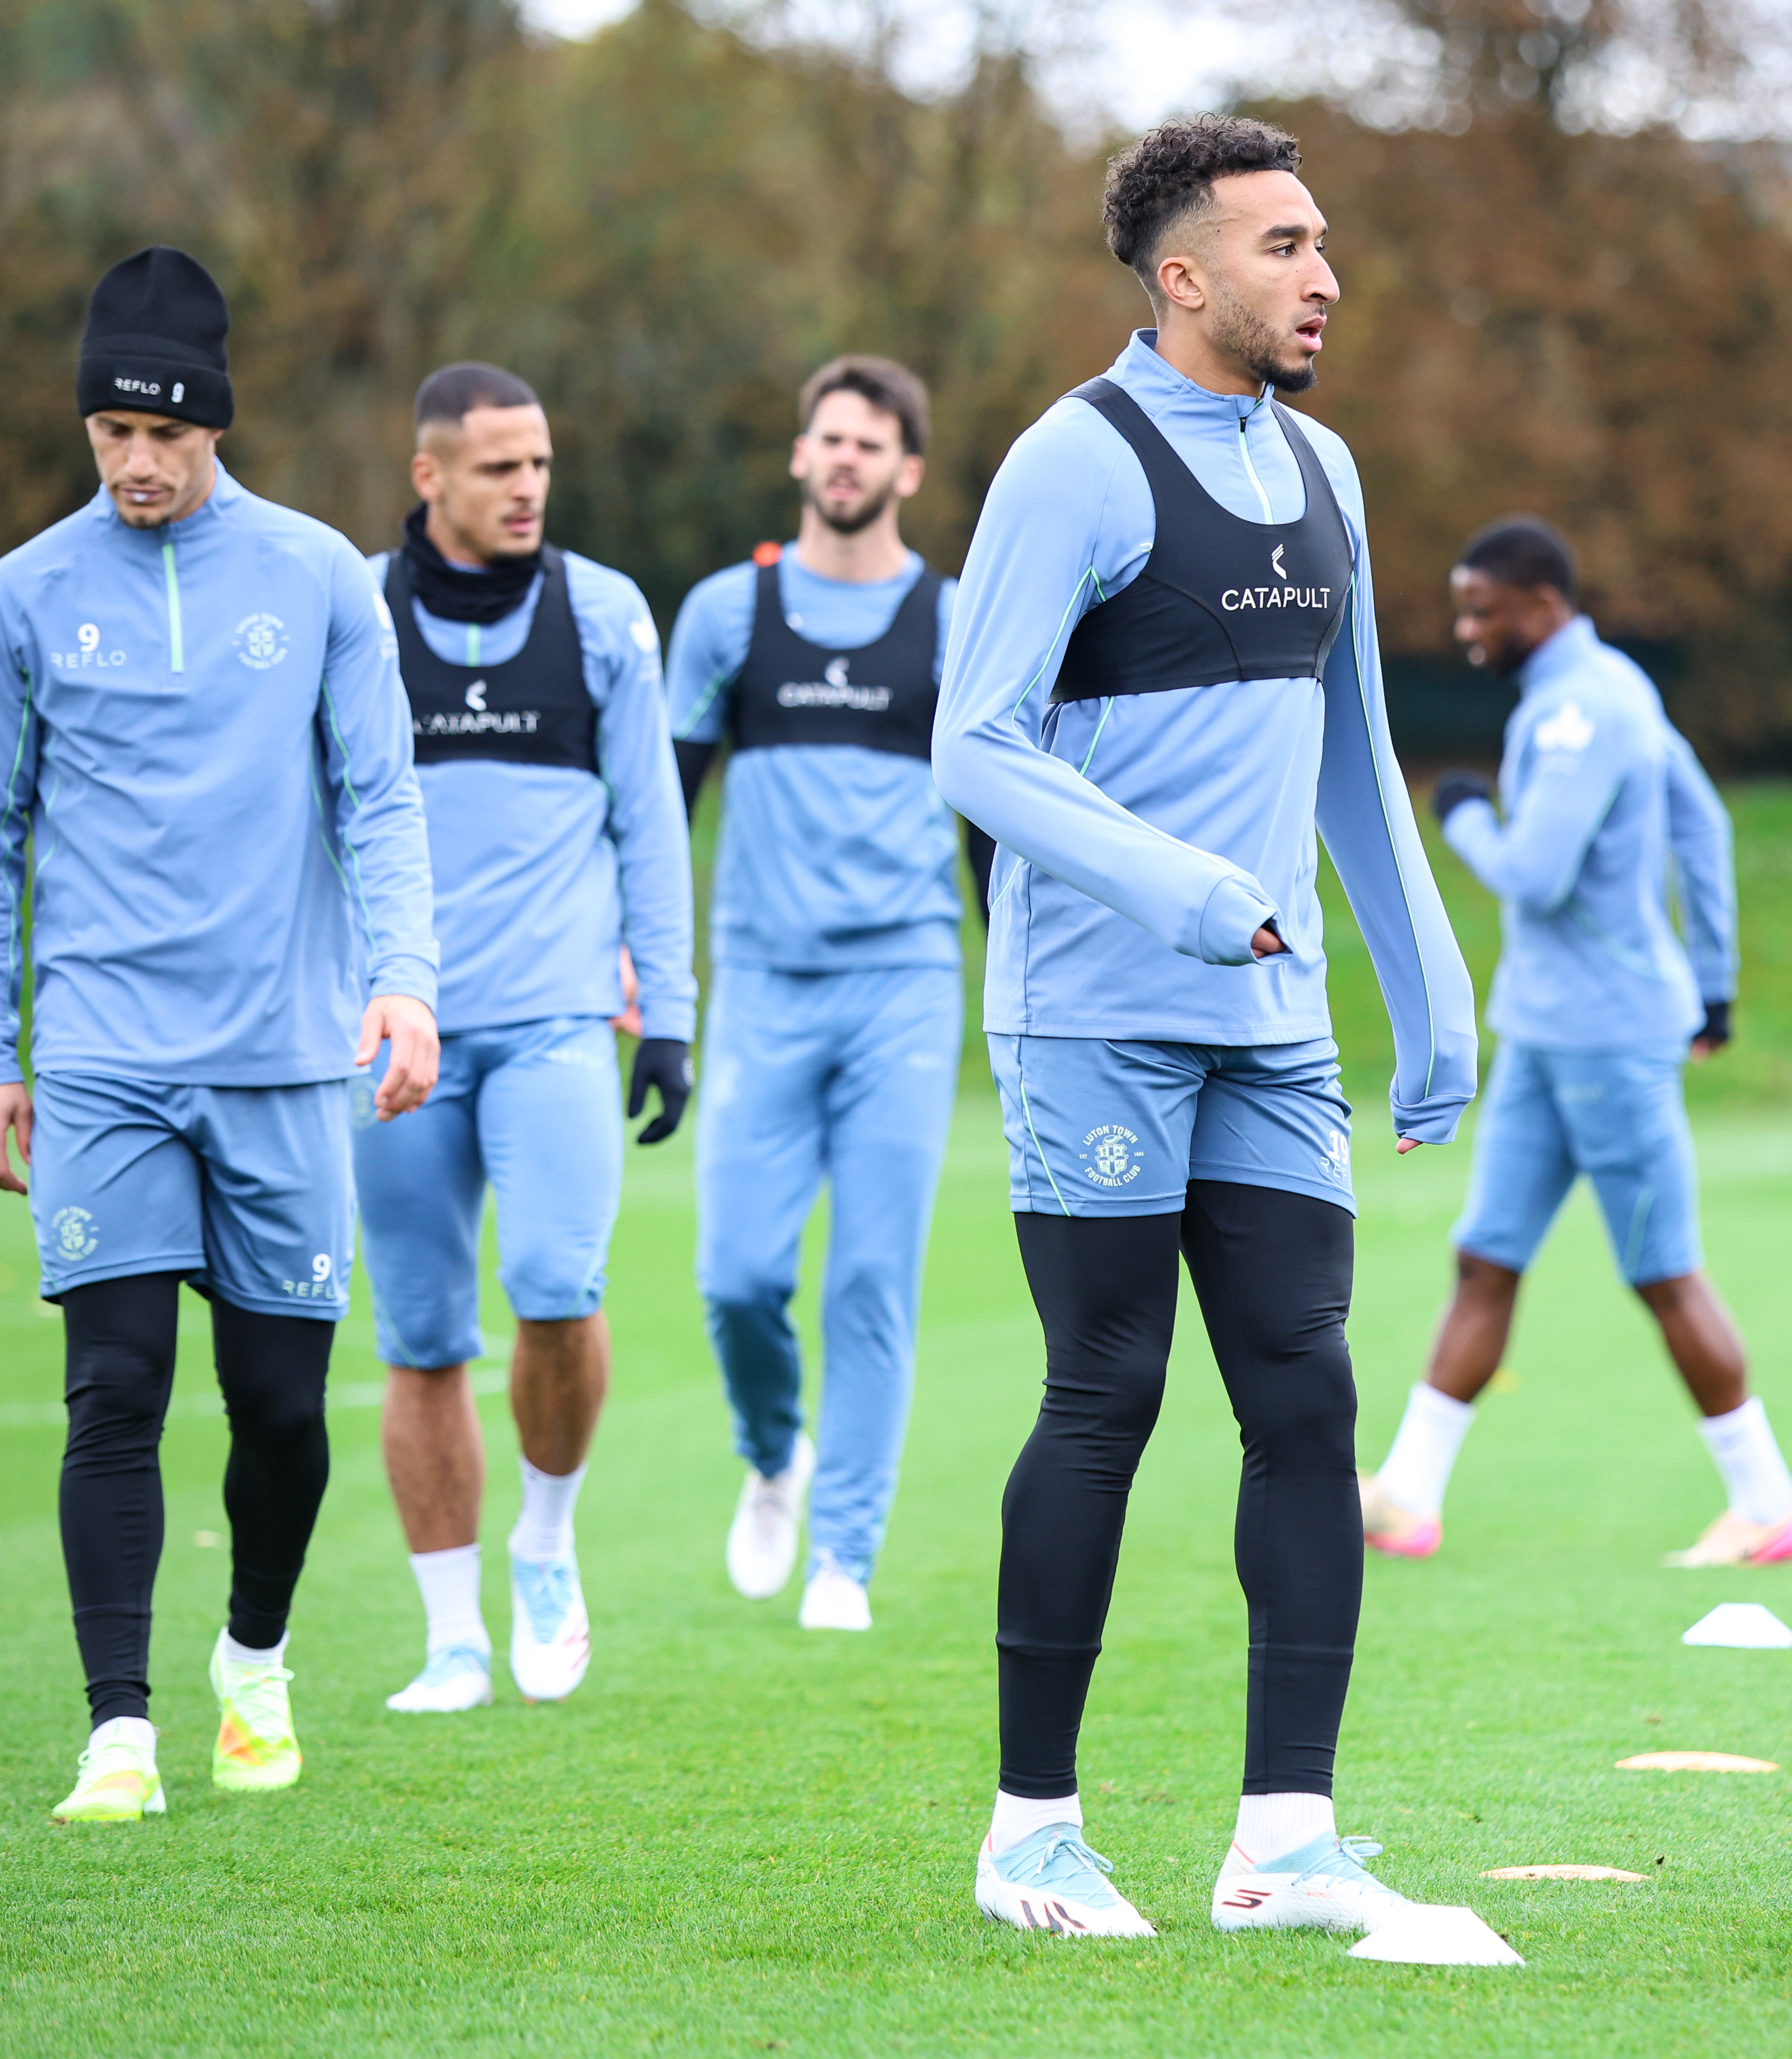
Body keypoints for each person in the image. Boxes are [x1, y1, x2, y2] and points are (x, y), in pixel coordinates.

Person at [933, 114, 1478, 1940]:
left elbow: (1351, 755)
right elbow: (977, 744)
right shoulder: (1066, 467)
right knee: (1106, 1391)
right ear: (1181, 276)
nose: (1322, 275)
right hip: (1094, 1010)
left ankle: (1282, 1844)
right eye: (1281, 245)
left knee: (1307, 1397)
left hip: (1270, 1030)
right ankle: (1027, 1837)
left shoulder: (1323, 471)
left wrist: (1426, 992)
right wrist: (1171, 888)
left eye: (1323, 244)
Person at [0, 247, 440, 1823]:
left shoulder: (314, 579)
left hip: (288, 1056)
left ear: (217, 425)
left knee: (284, 1411)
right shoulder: (19, 599)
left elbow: (379, 794)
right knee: (115, 1388)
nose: (139, 461)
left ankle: (253, 1659)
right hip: (102, 1058)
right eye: (110, 432)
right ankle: (118, 1730)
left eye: (166, 433)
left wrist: (403, 976)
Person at [1362, 517, 1792, 1567]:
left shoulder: (1576, 711)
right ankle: (1410, 1497)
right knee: (1485, 1258)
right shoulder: (1622, 688)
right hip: (1547, 1030)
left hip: (1605, 1039)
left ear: (1544, 606)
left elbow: (1535, 872)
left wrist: (1464, 812)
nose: (1467, 629)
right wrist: (1713, 987)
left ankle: (1771, 1501)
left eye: (1483, 609)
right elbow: (1704, 824)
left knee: (1663, 1272)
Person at [356, 363, 695, 1716]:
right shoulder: (359, 621)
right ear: (429, 474)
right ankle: (451, 1635)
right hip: (396, 1039)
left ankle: (545, 1542)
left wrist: (667, 1013)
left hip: (558, 1020)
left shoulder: (605, 614)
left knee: (557, 1287)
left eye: (540, 463)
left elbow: (650, 825)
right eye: (498, 467)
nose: (528, 488)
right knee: (424, 1333)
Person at [666, 356, 963, 1635]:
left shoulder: (955, 619)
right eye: (827, 439)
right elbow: (659, 807)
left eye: (872, 444)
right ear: (801, 458)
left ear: (907, 470)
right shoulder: (729, 614)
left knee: (872, 1282)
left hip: (905, 982)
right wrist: (639, 960)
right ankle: (770, 1451)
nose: (846, 459)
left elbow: (999, 815)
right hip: (764, 987)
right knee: (737, 1275)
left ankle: (844, 1549)